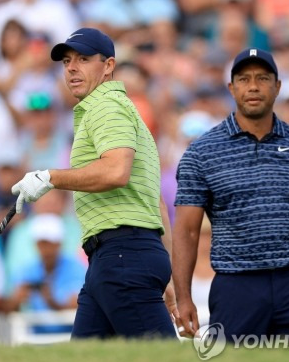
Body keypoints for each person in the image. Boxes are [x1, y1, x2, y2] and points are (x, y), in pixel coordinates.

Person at [11, 27, 176, 338]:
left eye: (83, 59)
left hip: (123, 256)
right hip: (120, 257)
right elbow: (156, 205)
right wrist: (166, 273)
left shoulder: (106, 106)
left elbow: (116, 172)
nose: (72, 67)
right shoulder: (116, 110)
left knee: (161, 359)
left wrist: (50, 178)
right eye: (66, 61)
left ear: (109, 66)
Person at [172, 48, 289, 340]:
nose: (253, 86)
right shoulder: (202, 152)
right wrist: (183, 297)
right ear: (231, 88)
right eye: (244, 79)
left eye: (262, 78)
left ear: (277, 87)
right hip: (236, 286)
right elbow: (186, 231)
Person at [5, 213, 86, 334]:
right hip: (34, 334)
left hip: (69, 333)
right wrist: (17, 301)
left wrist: (52, 302)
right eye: (42, 243)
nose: (46, 249)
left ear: (59, 243)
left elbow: (80, 306)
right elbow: (8, 308)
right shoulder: (26, 269)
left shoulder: (76, 267)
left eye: (50, 243)